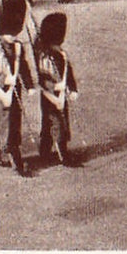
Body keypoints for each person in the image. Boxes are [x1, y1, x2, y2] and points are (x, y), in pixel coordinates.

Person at [0, 0, 36, 177]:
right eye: (10, 34)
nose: (12, 37)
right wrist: (1, 85)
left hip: (15, 92)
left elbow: (23, 66)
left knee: (14, 120)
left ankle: (13, 150)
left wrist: (29, 84)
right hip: (0, 91)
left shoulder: (17, 46)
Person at [35, 11, 80, 167]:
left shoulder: (57, 53)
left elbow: (68, 73)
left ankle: (46, 151)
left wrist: (71, 87)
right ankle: (62, 154)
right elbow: (43, 77)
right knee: (57, 122)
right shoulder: (46, 54)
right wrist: (59, 86)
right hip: (51, 94)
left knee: (53, 122)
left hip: (55, 94)